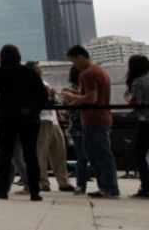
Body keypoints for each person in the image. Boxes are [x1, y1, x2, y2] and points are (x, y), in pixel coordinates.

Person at [0, 45, 47, 201]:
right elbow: (42, 96)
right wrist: (33, 110)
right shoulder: (30, 72)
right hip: (28, 118)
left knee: (4, 154)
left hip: (6, 117)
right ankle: (34, 191)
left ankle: (1, 191)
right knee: (30, 154)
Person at [62, 45, 120, 199]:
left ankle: (108, 188)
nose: (74, 65)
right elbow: (94, 95)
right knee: (102, 154)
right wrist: (76, 95)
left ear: (80, 57)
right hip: (102, 117)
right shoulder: (100, 71)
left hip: (93, 119)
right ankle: (107, 187)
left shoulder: (87, 74)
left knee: (98, 154)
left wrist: (72, 97)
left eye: (73, 61)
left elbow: (91, 98)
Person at [25, 61, 73, 192]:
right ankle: (43, 183)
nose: (40, 69)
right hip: (41, 120)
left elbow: (54, 101)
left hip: (53, 120)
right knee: (41, 153)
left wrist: (53, 97)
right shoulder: (28, 84)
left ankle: (63, 182)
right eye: (37, 68)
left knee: (60, 152)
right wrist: (49, 96)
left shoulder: (44, 83)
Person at [125, 54, 149, 199]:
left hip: (146, 121)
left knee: (140, 153)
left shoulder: (138, 82)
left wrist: (128, 98)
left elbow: (136, 103)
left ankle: (146, 187)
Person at [65, 66, 90, 195]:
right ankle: (82, 184)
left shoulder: (75, 89)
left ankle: (81, 184)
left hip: (78, 126)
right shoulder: (79, 88)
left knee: (82, 157)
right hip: (83, 124)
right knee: (84, 157)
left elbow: (68, 108)